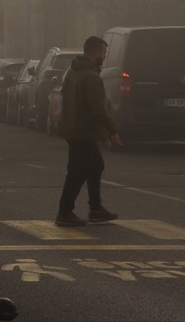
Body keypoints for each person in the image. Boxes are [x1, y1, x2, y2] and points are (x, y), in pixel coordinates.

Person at [55, 35, 121, 227]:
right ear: (95, 52)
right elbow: (98, 109)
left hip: (73, 128)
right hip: (83, 131)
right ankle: (65, 211)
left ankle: (96, 208)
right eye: (104, 53)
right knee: (77, 172)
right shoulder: (91, 77)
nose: (105, 56)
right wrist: (112, 131)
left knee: (95, 166)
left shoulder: (73, 72)